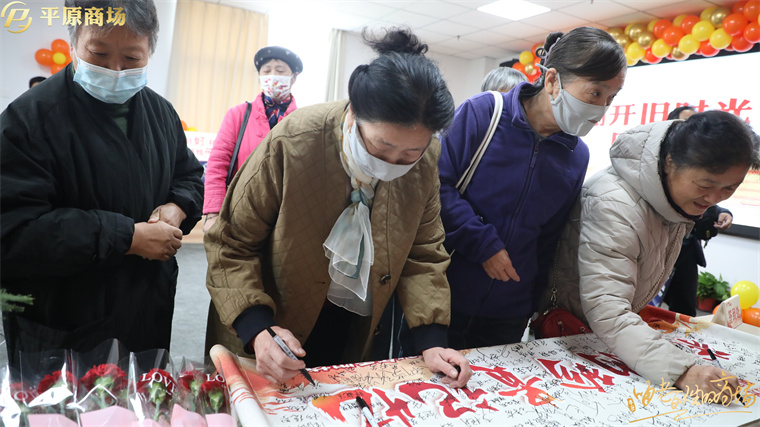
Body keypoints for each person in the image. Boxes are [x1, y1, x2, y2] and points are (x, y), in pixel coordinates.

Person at [204, 27, 472, 388]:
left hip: (353, 320)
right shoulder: (294, 141)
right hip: (272, 317)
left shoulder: (425, 162)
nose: (392, 163)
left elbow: (423, 252)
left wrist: (432, 339)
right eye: (381, 146)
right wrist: (256, 327)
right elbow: (230, 243)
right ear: (354, 115)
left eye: (410, 152)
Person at [0, 0, 204, 368]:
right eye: (98, 54)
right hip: (63, 323)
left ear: (150, 52)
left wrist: (177, 206)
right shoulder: (28, 120)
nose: (115, 70)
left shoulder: (161, 114)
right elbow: (13, 232)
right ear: (74, 43)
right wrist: (127, 237)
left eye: (132, 58)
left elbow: (188, 175)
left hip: (145, 311)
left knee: (144, 395)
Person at [437, 27, 627, 350]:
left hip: (508, 313)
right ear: (552, 80)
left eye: (611, 98)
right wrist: (481, 243)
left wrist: (533, 302)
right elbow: (436, 185)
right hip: (444, 294)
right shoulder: (484, 113)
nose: (601, 109)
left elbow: (550, 237)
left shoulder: (576, 155)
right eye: (595, 93)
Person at [549, 110, 757, 395]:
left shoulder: (670, 197)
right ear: (670, 162)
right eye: (705, 185)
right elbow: (607, 309)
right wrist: (683, 371)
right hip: (572, 334)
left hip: (609, 336)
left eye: (730, 188)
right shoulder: (615, 203)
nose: (714, 199)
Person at [202, 46, 302, 233]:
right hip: (239, 213)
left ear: (293, 77)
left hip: (284, 219)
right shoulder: (238, 114)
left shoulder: (303, 120)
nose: (272, 76)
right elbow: (218, 164)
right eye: (266, 71)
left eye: (280, 70)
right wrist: (213, 213)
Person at [662, 106, 733, 316]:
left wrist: (721, 212)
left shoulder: (705, 160)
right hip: (660, 247)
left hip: (687, 250)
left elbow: (705, 199)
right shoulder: (666, 162)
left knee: (685, 309)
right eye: (688, 124)